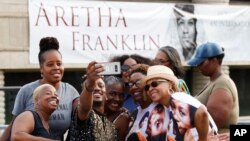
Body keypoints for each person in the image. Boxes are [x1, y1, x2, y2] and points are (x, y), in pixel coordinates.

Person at [0, 37, 80, 140]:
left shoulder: (70, 91)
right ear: (41, 68)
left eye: (59, 64)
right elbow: (13, 127)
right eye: (50, 64)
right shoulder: (27, 91)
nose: (56, 67)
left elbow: (82, 117)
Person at [141, 65, 217, 141]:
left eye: (155, 84)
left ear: (170, 85)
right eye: (147, 87)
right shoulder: (160, 109)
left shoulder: (177, 97)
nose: (150, 89)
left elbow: (202, 112)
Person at [188, 42, 239, 133]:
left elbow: (212, 122)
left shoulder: (222, 83)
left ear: (214, 60)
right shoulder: (212, 82)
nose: (198, 66)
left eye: (201, 63)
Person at [66, 61, 117, 141]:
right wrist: (90, 84)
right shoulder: (82, 114)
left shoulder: (111, 127)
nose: (96, 88)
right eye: (93, 85)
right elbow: (85, 108)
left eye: (100, 86)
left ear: (106, 95)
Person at [104, 76, 130, 141]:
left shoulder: (123, 118)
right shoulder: (92, 113)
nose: (117, 99)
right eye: (112, 94)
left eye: (121, 95)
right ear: (102, 93)